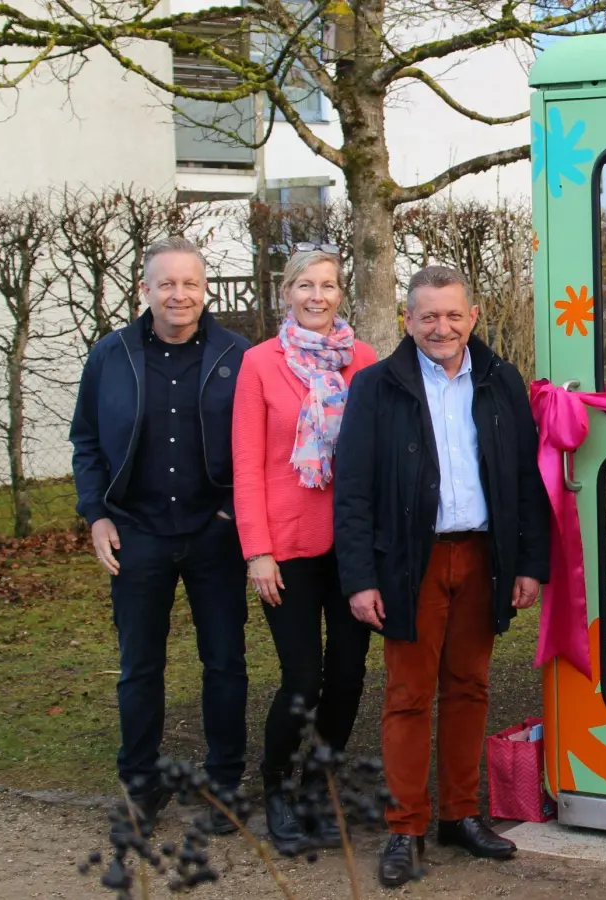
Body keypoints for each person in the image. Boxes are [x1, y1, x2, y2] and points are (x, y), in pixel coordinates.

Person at [333, 265, 550, 888]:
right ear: (408, 320)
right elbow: (351, 491)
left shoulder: (500, 379)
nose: (441, 327)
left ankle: (459, 815)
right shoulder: (376, 387)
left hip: (482, 556)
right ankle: (405, 827)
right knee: (406, 695)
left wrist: (529, 563)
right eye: (428, 316)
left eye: (453, 315)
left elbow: (523, 478)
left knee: (469, 688)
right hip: (409, 562)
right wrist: (359, 579)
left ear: (473, 317)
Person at [69, 237, 254, 836]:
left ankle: (225, 785)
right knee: (138, 668)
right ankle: (140, 791)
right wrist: (97, 514)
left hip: (214, 534)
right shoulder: (110, 355)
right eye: (166, 284)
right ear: (144, 289)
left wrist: (231, 515)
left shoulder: (237, 355)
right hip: (137, 534)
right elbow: (88, 442)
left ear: (206, 290)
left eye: (190, 284)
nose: (179, 294)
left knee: (225, 663)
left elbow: (259, 445)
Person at [231, 247, 378, 853]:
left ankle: (321, 782)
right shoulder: (259, 363)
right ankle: (276, 787)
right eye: (305, 286)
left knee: (347, 675)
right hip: (285, 546)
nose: (318, 296)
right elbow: (246, 463)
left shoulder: (364, 361)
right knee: (301, 678)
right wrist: (256, 551)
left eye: (329, 285)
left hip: (351, 547)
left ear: (341, 292)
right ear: (286, 292)